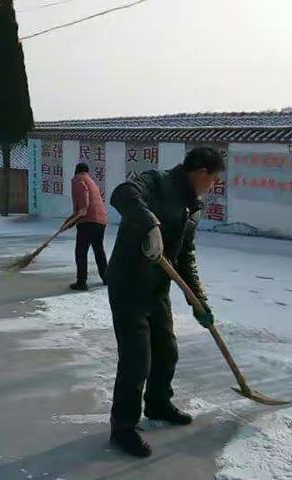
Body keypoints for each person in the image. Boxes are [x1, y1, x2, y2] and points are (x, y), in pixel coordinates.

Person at [107, 147, 225, 458]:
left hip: (157, 289)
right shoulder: (155, 182)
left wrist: (199, 301)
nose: (212, 187)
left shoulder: (192, 207)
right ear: (201, 173)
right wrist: (150, 224)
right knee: (136, 361)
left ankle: (158, 403)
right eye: (213, 180)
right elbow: (121, 193)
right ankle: (123, 428)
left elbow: (185, 256)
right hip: (129, 285)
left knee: (166, 351)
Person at [65, 163, 108, 291]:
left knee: (81, 252)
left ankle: (81, 282)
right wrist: (70, 221)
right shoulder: (92, 182)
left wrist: (80, 212)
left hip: (88, 221)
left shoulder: (78, 179)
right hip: (101, 221)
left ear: (76, 171)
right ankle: (106, 278)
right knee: (98, 249)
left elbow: (84, 203)